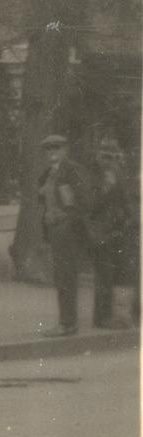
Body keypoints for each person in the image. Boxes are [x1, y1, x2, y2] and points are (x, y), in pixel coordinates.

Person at [36, 132, 94, 336]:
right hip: (55, 230)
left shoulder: (72, 171)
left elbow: (84, 202)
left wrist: (68, 223)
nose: (52, 153)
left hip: (67, 231)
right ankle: (66, 321)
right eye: (49, 149)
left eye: (57, 148)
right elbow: (44, 199)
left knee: (66, 277)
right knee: (61, 277)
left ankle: (68, 323)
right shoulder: (50, 173)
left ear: (65, 149)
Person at [87, 137, 139, 329]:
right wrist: (107, 188)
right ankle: (101, 318)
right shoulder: (92, 176)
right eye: (105, 157)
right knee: (104, 275)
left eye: (112, 157)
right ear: (99, 157)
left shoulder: (121, 175)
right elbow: (91, 206)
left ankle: (121, 316)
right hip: (101, 232)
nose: (109, 162)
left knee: (122, 273)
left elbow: (127, 201)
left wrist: (129, 218)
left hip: (119, 231)